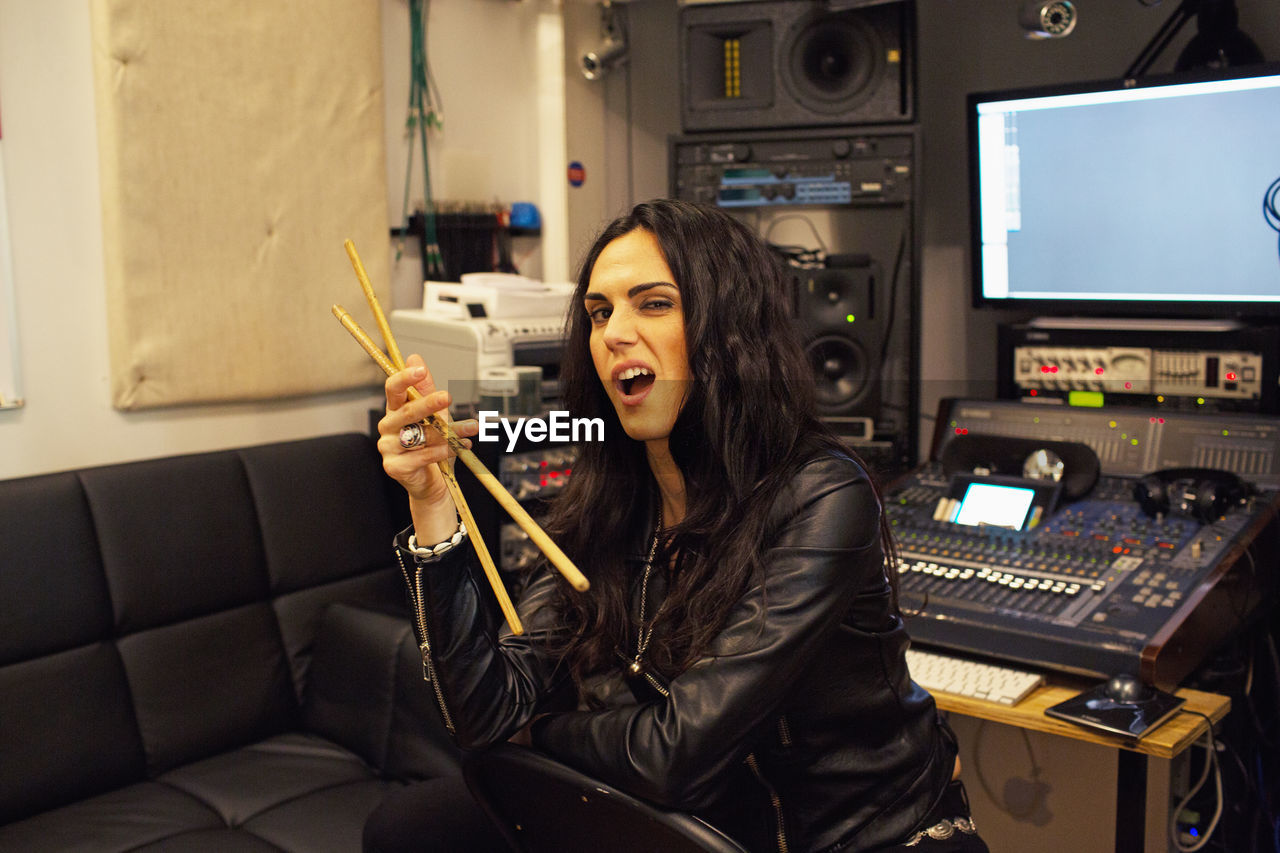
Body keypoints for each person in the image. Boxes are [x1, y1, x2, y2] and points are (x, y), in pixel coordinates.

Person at [365, 199, 987, 853]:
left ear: (727, 330)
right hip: (710, 821)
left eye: (653, 304)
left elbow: (675, 753)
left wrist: (535, 732)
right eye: (601, 312)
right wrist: (432, 503)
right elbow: (486, 711)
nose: (612, 332)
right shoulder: (609, 500)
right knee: (409, 829)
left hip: (860, 837)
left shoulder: (821, 495)